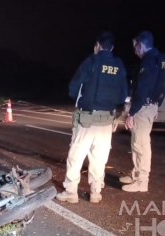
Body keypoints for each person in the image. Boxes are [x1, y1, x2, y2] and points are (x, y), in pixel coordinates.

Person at [56, 31, 128, 203]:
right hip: (107, 118)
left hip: (87, 117)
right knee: (99, 157)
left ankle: (71, 192)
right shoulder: (119, 65)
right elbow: (123, 94)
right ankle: (96, 192)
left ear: (97, 45)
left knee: (76, 155)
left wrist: (80, 99)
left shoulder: (91, 61)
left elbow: (74, 86)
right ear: (112, 48)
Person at [120, 31, 165, 192]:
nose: (135, 50)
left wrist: (132, 112)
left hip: (142, 106)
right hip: (150, 105)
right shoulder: (160, 58)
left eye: (135, 46)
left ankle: (142, 181)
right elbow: (162, 84)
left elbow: (142, 88)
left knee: (141, 144)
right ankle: (135, 174)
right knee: (137, 142)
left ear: (141, 45)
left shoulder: (147, 61)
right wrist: (157, 105)